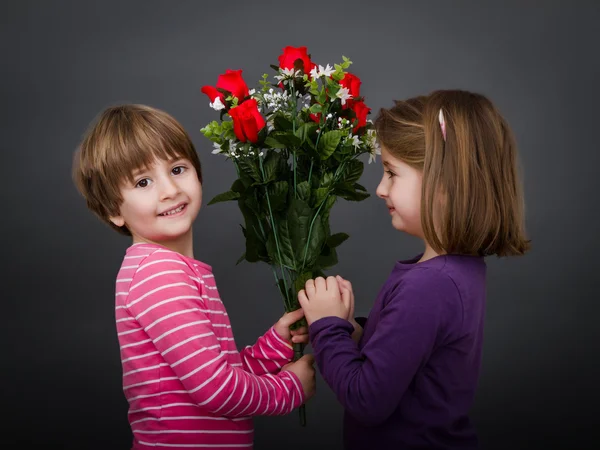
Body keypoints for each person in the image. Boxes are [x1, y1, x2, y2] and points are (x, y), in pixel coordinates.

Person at [72, 104, 315, 449]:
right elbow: (216, 390)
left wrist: (271, 350)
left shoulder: (165, 270)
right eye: (143, 181)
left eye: (177, 168)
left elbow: (213, 372)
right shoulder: (160, 275)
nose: (169, 190)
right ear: (114, 210)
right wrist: (288, 390)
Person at [297, 90, 531, 449]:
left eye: (392, 173)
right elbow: (414, 361)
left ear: (444, 185)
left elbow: (366, 399)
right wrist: (352, 333)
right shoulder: (456, 273)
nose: (379, 189)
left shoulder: (430, 285)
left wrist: (328, 329)